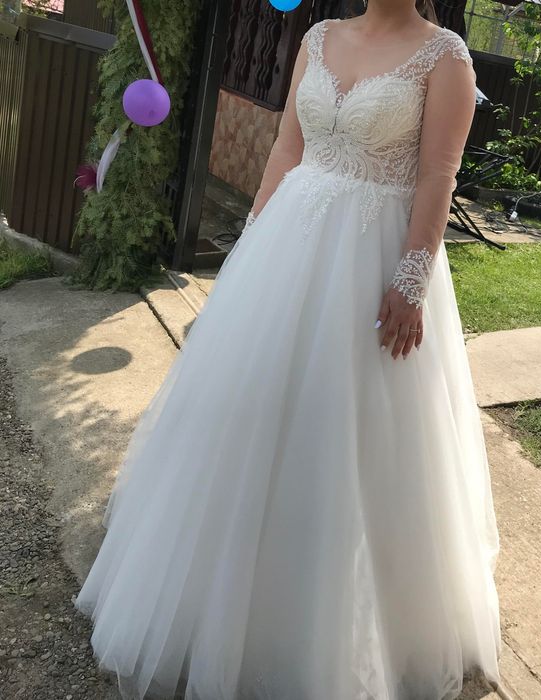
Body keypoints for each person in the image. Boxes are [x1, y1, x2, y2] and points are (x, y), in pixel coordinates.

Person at [74, 1, 502, 698]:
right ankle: (219, 602)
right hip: (286, 246)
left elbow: (438, 175)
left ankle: (340, 626)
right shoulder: (318, 37)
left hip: (371, 261)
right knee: (247, 413)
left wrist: (411, 279)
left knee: (349, 434)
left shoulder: (445, 56)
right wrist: (249, 246)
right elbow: (285, 148)